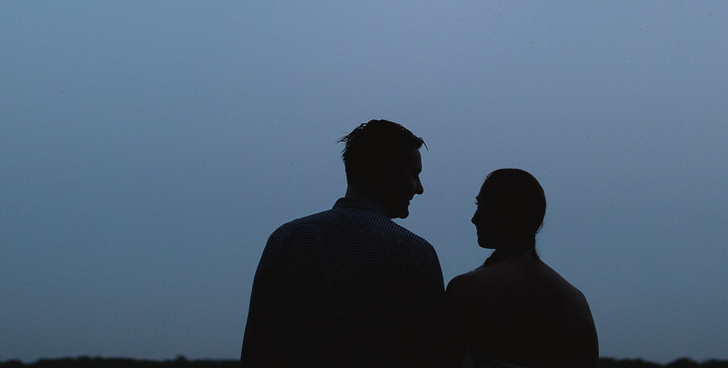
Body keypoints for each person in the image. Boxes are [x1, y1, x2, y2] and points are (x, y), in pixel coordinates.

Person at [241, 119, 447, 368]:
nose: (420, 188)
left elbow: (257, 346)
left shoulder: (285, 239)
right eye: (414, 175)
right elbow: (432, 353)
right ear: (390, 174)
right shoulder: (415, 252)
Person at [445, 169, 599, 368]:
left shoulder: (467, 289)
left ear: (499, 213)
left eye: (480, 204)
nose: (474, 218)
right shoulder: (576, 303)